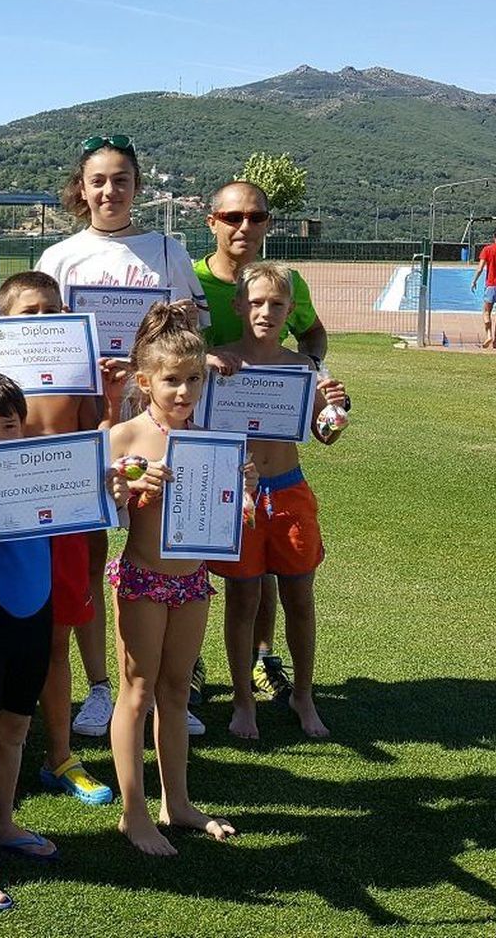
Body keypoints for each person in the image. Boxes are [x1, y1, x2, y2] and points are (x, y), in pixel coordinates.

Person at [35, 135, 208, 749]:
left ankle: (170, 684)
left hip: (161, 424)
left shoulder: (167, 250)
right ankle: (101, 685)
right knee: (87, 557)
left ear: (137, 186)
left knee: (168, 543)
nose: (110, 191)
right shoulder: (61, 257)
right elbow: (41, 341)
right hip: (88, 422)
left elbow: (194, 333)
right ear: (81, 189)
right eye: (98, 180)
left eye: (121, 179)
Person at [0, 270, 121, 805]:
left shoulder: (76, 363)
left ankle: (59, 756)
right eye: (27, 313)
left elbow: (92, 436)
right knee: (3, 631)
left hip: (60, 515)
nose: (41, 322)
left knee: (54, 638)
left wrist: (110, 402)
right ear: (1, 323)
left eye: (50, 311)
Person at [0, 371, 130, 909]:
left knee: (15, 732)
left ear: (23, 426)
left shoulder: (46, 473)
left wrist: (112, 490)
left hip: (36, 626)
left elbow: (102, 502)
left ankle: (1, 823)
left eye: (9, 426)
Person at [107, 302, 256, 856]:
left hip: (192, 582)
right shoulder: (124, 436)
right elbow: (103, 512)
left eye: (193, 379)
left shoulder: (210, 440)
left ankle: (179, 803)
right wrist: (127, 488)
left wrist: (241, 491)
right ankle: (133, 813)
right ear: (145, 380)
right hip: (143, 579)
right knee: (137, 690)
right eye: (172, 380)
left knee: (176, 691)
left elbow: (227, 515)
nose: (184, 391)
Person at [196, 180, 329, 712]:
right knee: (232, 585)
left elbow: (314, 336)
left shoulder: (290, 283)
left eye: (255, 217)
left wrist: (315, 383)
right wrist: (200, 361)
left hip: (284, 476)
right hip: (220, 468)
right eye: (233, 216)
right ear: (213, 221)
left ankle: (269, 664)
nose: (244, 226)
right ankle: (204, 671)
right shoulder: (190, 278)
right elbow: (164, 351)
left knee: (285, 588)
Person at [209, 262, 349, 740]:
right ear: (238, 306)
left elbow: (324, 433)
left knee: (300, 599)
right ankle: (242, 699)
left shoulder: (302, 368)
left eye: (276, 304)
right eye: (256, 302)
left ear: (290, 311)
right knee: (242, 599)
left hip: (290, 491)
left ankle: (303, 695)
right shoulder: (218, 363)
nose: (265, 312)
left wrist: (336, 412)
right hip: (238, 494)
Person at [470, 224, 496, 349]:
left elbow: (480, 268)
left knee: (486, 311)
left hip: (491, 284)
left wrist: (474, 281)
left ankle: (488, 335)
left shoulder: (487, 249)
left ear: (494, 235)